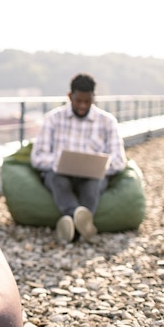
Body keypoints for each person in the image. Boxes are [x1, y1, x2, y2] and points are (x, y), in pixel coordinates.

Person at [31, 73, 127, 243]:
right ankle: (81, 223)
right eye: (78, 101)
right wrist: (59, 162)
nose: (83, 106)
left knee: (93, 185)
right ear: (70, 96)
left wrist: (100, 165)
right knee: (57, 180)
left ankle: (71, 228)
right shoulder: (53, 119)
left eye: (87, 101)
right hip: (59, 174)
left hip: (92, 177)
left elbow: (119, 160)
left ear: (93, 98)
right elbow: (37, 157)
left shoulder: (107, 121)